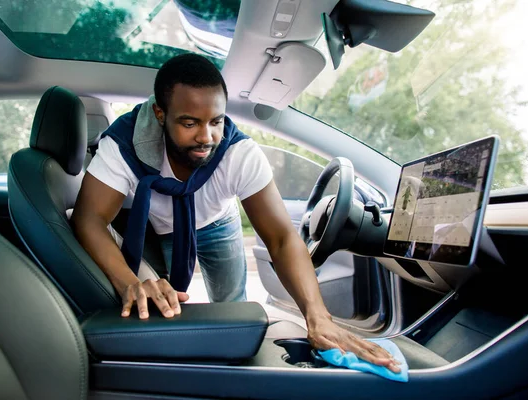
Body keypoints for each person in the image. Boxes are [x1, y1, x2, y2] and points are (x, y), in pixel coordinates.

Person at [71, 53, 400, 372]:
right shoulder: (122, 145)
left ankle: (238, 373)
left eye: (215, 121)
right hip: (160, 228)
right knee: (163, 307)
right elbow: (89, 219)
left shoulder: (239, 153)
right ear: (160, 114)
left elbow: (282, 237)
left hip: (219, 222)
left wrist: (318, 317)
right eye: (189, 123)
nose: (206, 137)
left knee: (233, 306)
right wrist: (131, 283)